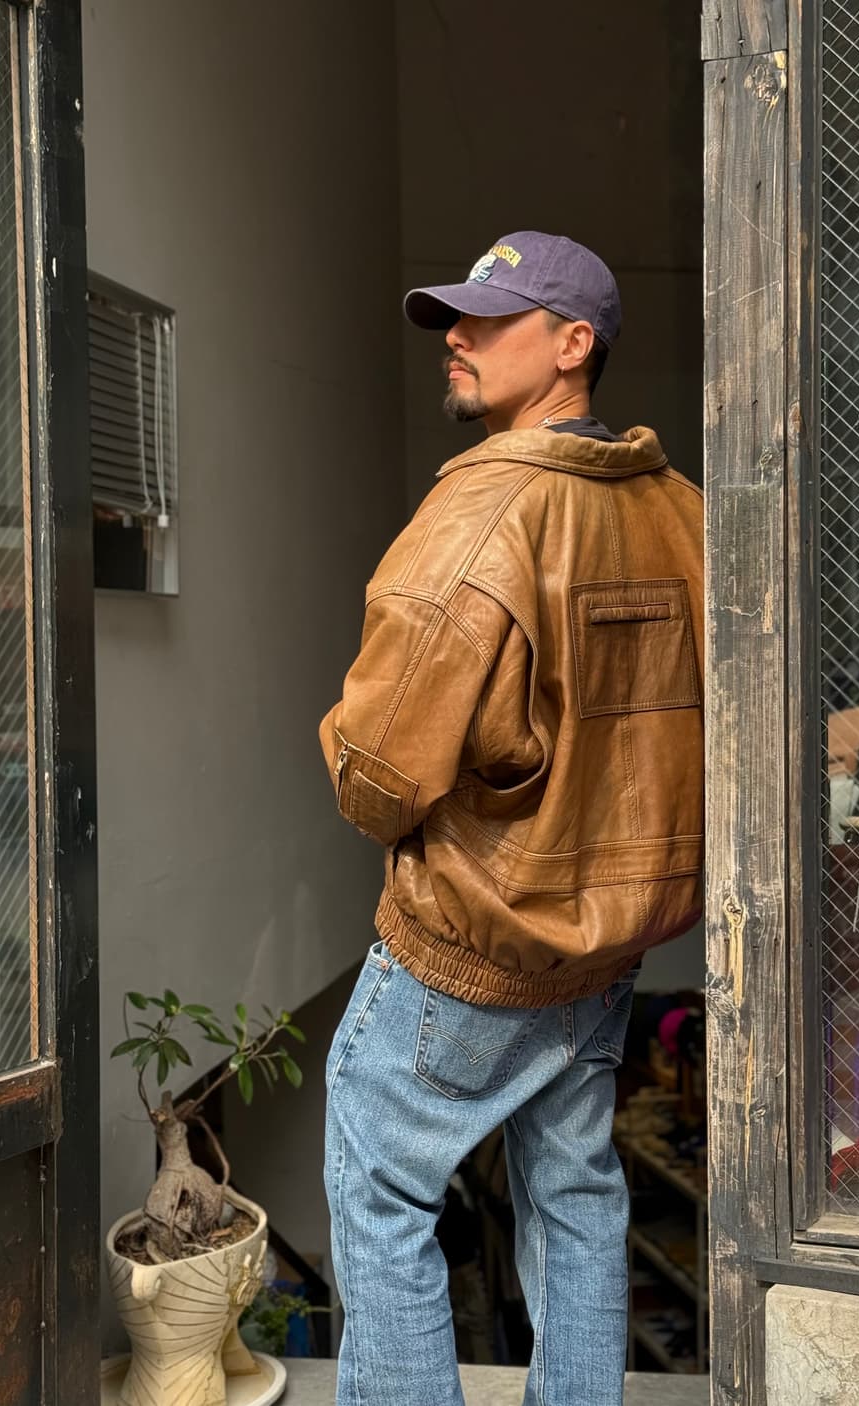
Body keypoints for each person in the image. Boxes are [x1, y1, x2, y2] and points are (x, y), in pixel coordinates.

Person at [320, 231, 704, 1406]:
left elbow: (378, 773)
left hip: (475, 941)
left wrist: (344, 740)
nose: (459, 337)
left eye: (492, 318)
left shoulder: (481, 514)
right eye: (455, 318)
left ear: (574, 342)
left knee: (383, 1191)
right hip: (603, 946)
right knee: (579, 1192)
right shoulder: (682, 512)